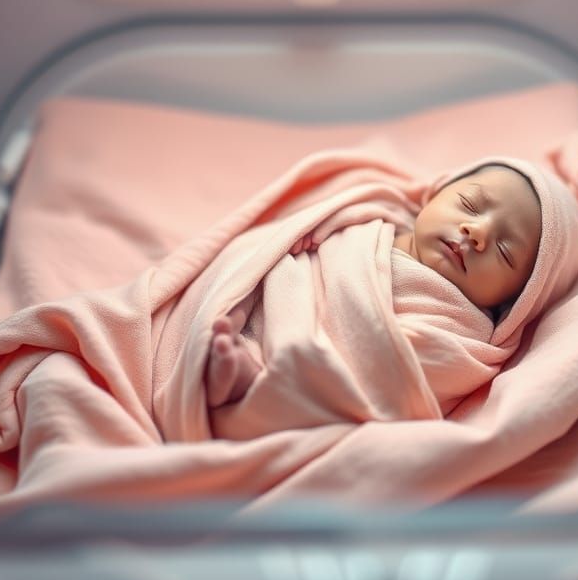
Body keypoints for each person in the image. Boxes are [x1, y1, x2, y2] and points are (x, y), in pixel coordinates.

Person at [204, 161, 546, 408]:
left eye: (505, 251)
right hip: (289, 295)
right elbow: (312, 224)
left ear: (517, 298)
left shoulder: (465, 329)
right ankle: (235, 335)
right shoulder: (378, 217)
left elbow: (406, 378)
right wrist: (317, 229)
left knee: (318, 387)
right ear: (436, 195)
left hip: (330, 370)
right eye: (469, 205)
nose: (478, 232)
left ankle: (258, 382)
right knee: (266, 272)